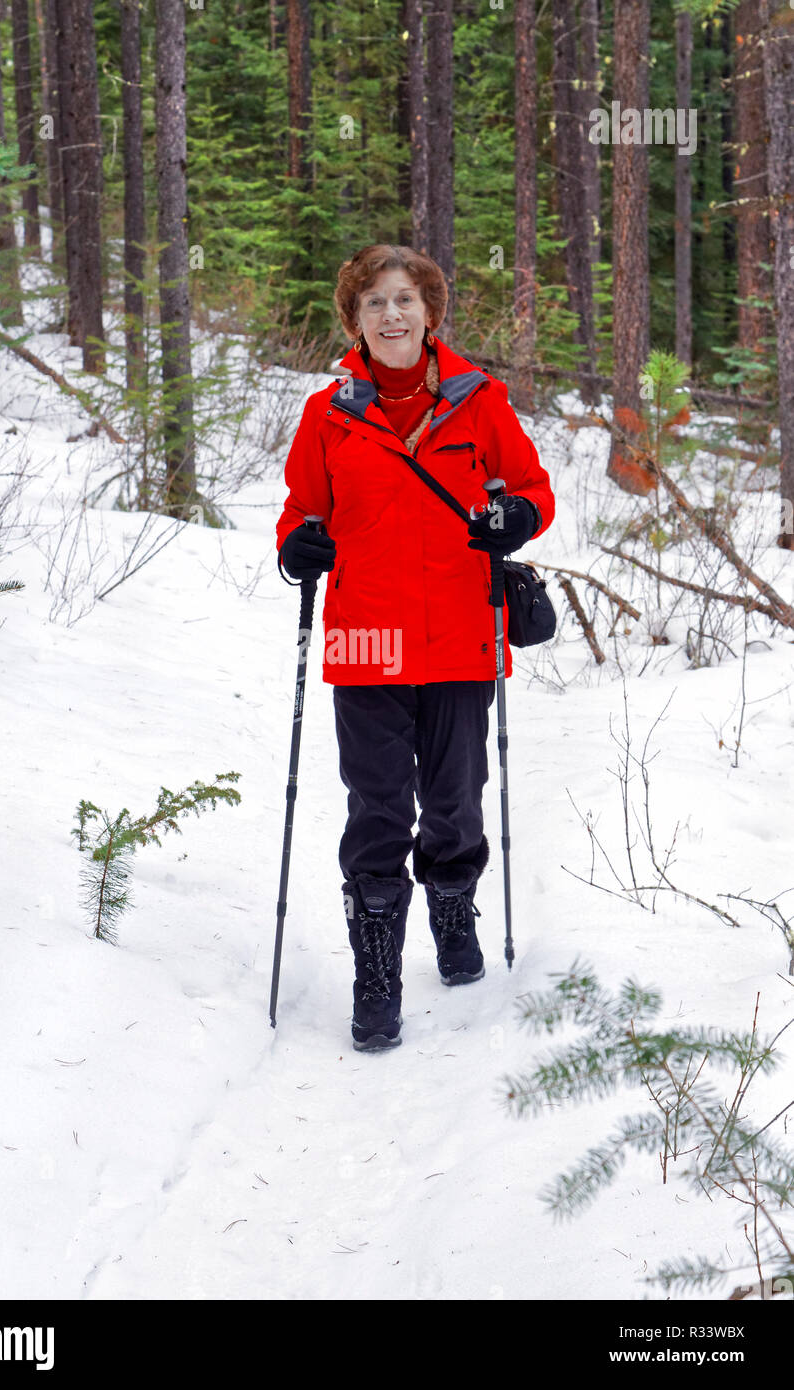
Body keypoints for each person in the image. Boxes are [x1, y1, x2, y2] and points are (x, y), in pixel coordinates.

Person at [275, 244, 555, 1051]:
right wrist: (299, 548)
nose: (391, 316)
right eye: (373, 304)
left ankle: (451, 902)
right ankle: (376, 970)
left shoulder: (481, 402)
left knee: (456, 798)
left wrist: (516, 519)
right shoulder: (328, 414)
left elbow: (530, 488)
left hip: (463, 636)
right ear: (354, 321)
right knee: (378, 807)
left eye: (404, 301)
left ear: (430, 312)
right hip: (366, 638)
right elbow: (302, 510)